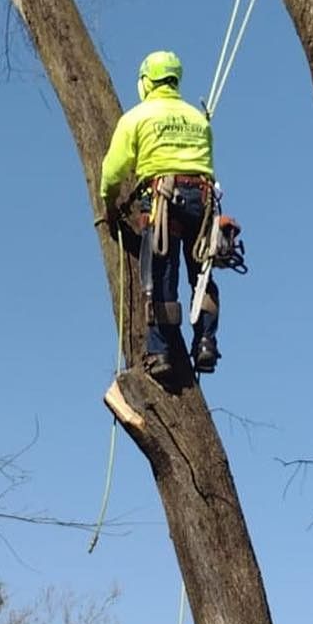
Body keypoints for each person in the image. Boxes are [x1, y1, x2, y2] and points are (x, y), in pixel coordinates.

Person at [99, 50, 220, 380]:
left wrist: (108, 205)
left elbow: (112, 171)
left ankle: (160, 351)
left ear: (146, 81)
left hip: (163, 199)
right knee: (202, 276)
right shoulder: (198, 118)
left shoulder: (138, 117)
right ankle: (206, 341)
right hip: (204, 201)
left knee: (161, 279)